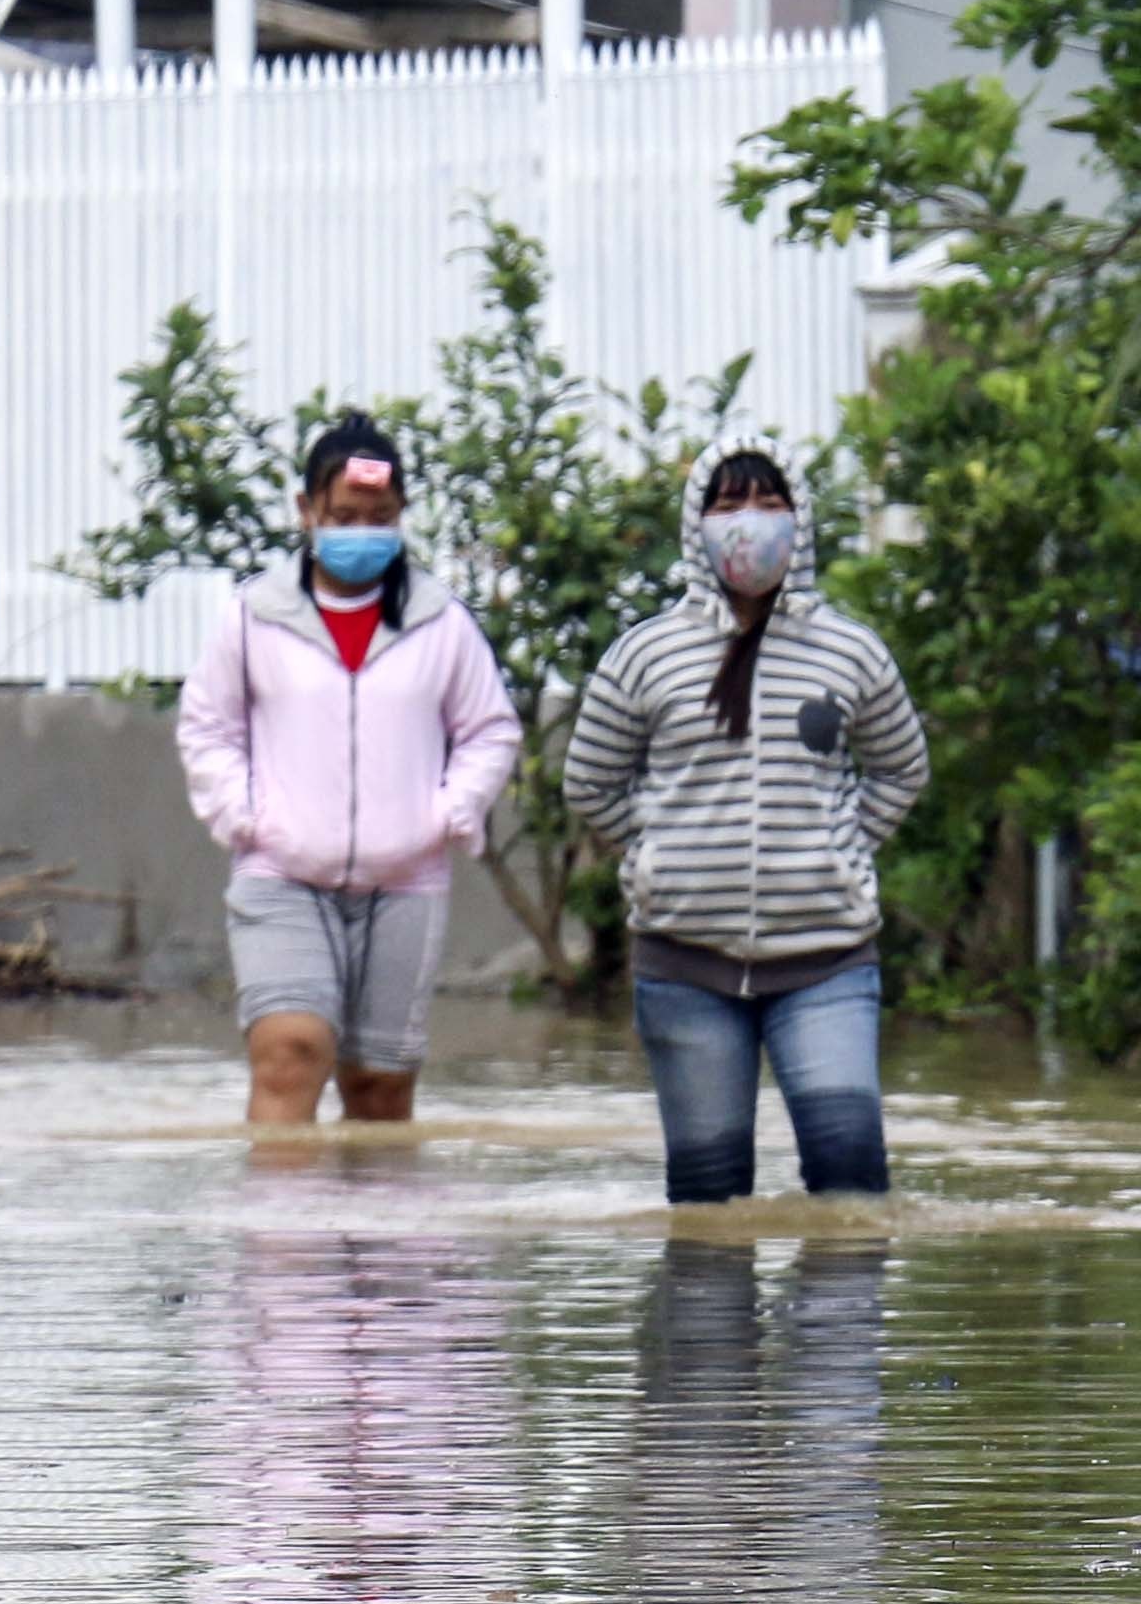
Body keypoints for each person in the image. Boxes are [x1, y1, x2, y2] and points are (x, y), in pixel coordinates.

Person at [565, 448, 929, 1205]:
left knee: (851, 1176)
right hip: (684, 966)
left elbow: (901, 769)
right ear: (696, 526)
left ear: (800, 521)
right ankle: (709, 1329)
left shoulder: (851, 650)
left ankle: (836, 1326)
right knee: (708, 1195)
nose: (750, 525)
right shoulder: (644, 653)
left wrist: (840, 846)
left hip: (825, 961)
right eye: (729, 506)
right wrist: (658, 849)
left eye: (769, 504)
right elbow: (591, 780)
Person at [177, 414, 520, 1128]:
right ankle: (284, 1237)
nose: (360, 532)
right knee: (289, 1053)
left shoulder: (440, 621)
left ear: (401, 519)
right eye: (343, 516)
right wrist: (242, 816)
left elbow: (488, 729)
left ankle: (373, 1236)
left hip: (407, 881)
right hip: (281, 874)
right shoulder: (254, 617)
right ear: (306, 511)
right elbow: (209, 727)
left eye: (379, 518)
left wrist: (450, 813)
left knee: (378, 1088)